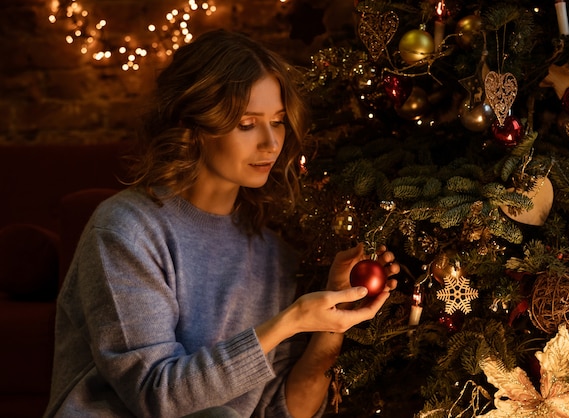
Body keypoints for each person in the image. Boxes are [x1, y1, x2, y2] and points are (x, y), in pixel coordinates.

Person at [44, 29, 399, 418]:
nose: (270, 144)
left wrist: (331, 326)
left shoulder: (273, 254)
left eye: (278, 122)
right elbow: (156, 395)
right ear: (194, 126)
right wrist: (290, 320)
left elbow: (282, 411)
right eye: (247, 124)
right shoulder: (126, 230)